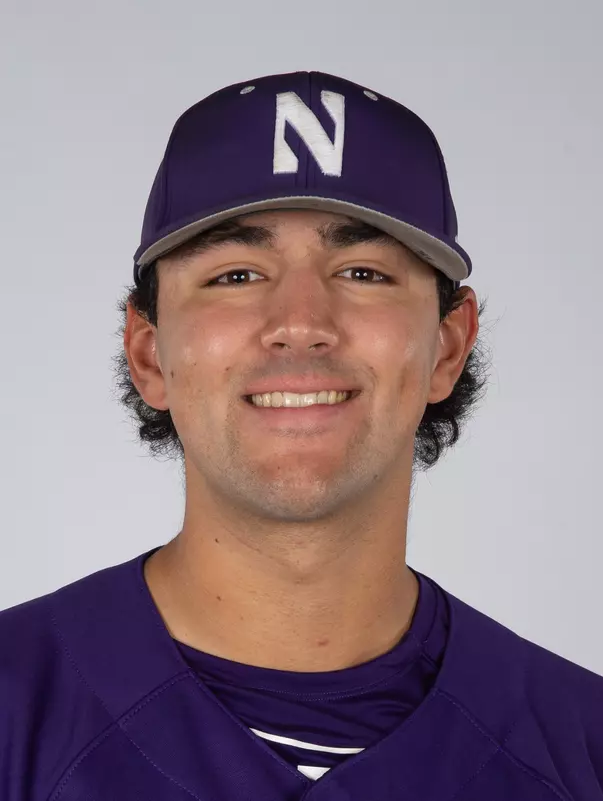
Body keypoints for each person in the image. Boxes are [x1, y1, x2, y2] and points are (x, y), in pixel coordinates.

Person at [1, 71, 601, 800]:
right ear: (148, 352)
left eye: (362, 270)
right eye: (236, 273)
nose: (300, 322)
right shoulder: (16, 713)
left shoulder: (580, 743)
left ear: (447, 346)